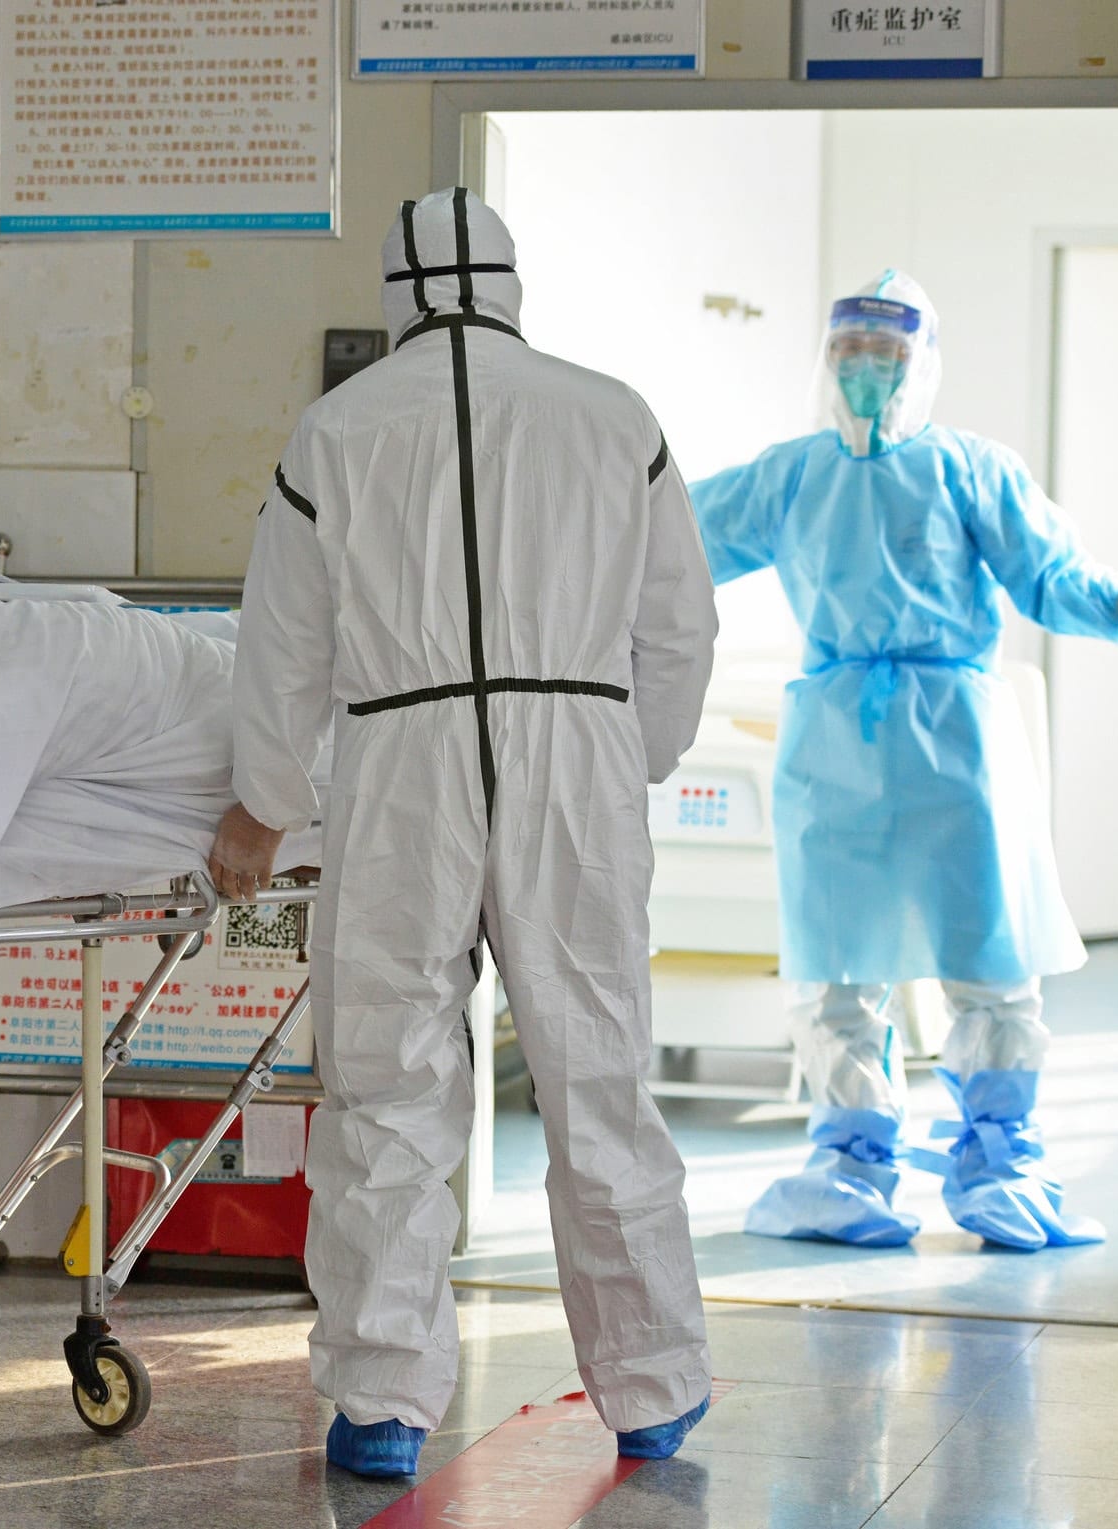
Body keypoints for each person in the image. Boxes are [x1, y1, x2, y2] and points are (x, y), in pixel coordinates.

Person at [208, 188, 718, 1479]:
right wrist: (627, 754)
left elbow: (284, 645)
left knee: (386, 1085)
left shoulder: (336, 432)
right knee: (597, 1077)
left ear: (397, 297)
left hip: (401, 761)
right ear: (510, 285)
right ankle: (652, 1386)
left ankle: (383, 1402)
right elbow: (682, 627)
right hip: (574, 760)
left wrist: (265, 801)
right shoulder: (616, 416)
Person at [692, 271, 1118, 1252]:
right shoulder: (788, 475)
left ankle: (999, 1164)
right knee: (836, 969)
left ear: (922, 364)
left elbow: (1047, 574)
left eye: (887, 354)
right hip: (835, 744)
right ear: (823, 362)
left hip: (954, 743)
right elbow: (666, 536)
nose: (865, 371)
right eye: (848, 354)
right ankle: (847, 1165)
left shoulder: (968, 470)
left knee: (986, 960)